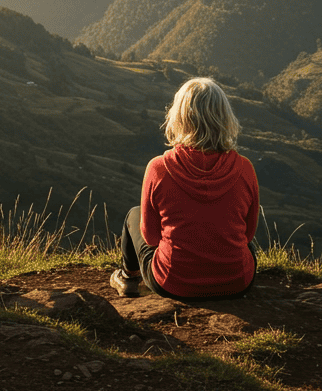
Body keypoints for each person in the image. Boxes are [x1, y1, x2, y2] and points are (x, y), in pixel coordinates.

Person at [111, 77, 259, 300]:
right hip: (237, 282)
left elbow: (150, 238)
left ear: (179, 117)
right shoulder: (245, 168)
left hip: (174, 282)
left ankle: (128, 276)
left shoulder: (159, 168)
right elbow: (248, 233)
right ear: (224, 118)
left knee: (134, 214)